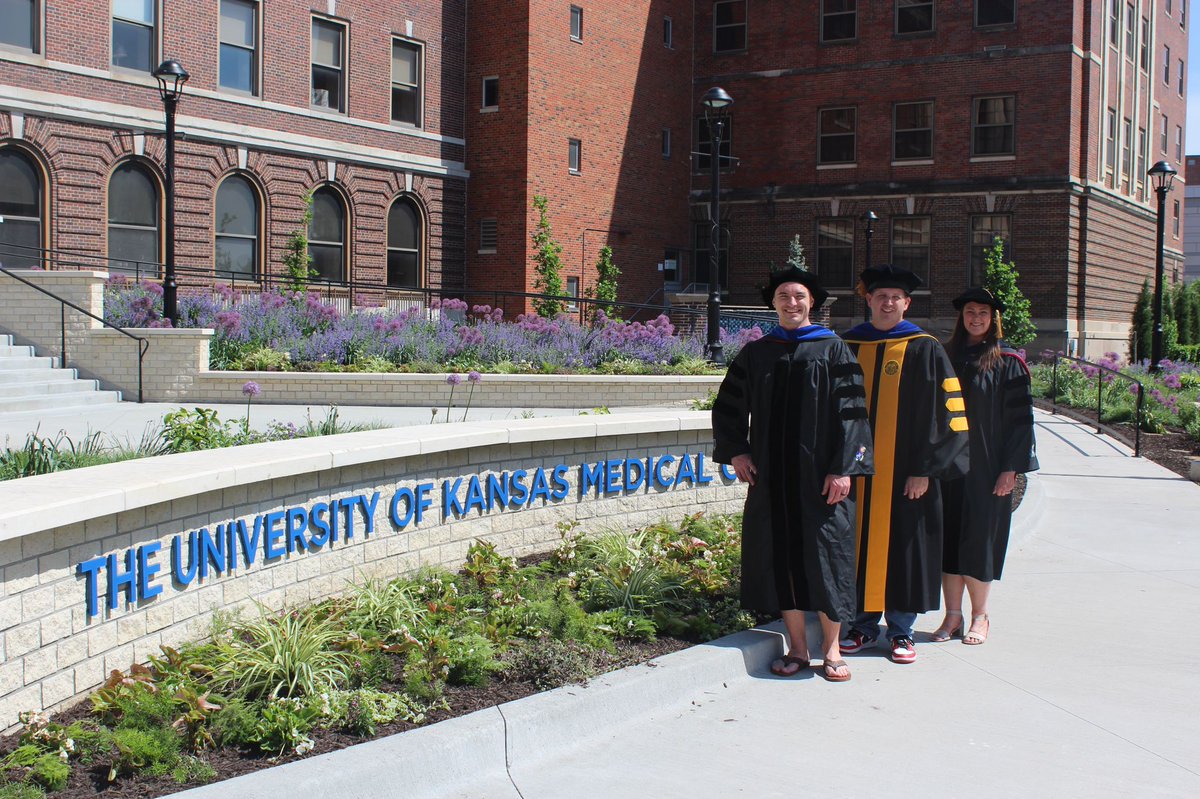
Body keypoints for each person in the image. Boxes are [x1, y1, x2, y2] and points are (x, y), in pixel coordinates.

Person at [712, 267, 874, 683]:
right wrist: (737, 451)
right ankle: (798, 648)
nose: (791, 302)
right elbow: (728, 407)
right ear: (773, 304)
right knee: (782, 557)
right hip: (774, 478)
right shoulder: (758, 352)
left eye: (799, 296)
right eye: (784, 296)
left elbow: (854, 415)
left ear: (811, 303)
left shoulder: (833, 349)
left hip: (823, 479)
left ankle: (833, 649)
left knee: (829, 558)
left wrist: (845, 468)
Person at [838, 264, 970, 664]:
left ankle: (900, 631)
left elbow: (950, 415)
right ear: (869, 301)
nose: (888, 302)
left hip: (906, 476)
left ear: (907, 303)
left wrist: (925, 470)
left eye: (896, 297)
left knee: (904, 550)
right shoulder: (847, 344)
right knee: (854, 546)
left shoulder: (924, 347)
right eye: (881, 296)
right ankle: (861, 626)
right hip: (857, 471)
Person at [931, 287, 1038, 645]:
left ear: (993, 319)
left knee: (979, 541)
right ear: (961, 318)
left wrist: (1011, 468)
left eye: (983, 313)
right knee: (949, 542)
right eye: (969, 313)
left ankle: (980, 617)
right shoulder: (946, 356)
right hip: (949, 468)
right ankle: (952, 617)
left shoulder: (1007, 362)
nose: (976, 318)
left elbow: (1021, 422)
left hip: (988, 468)